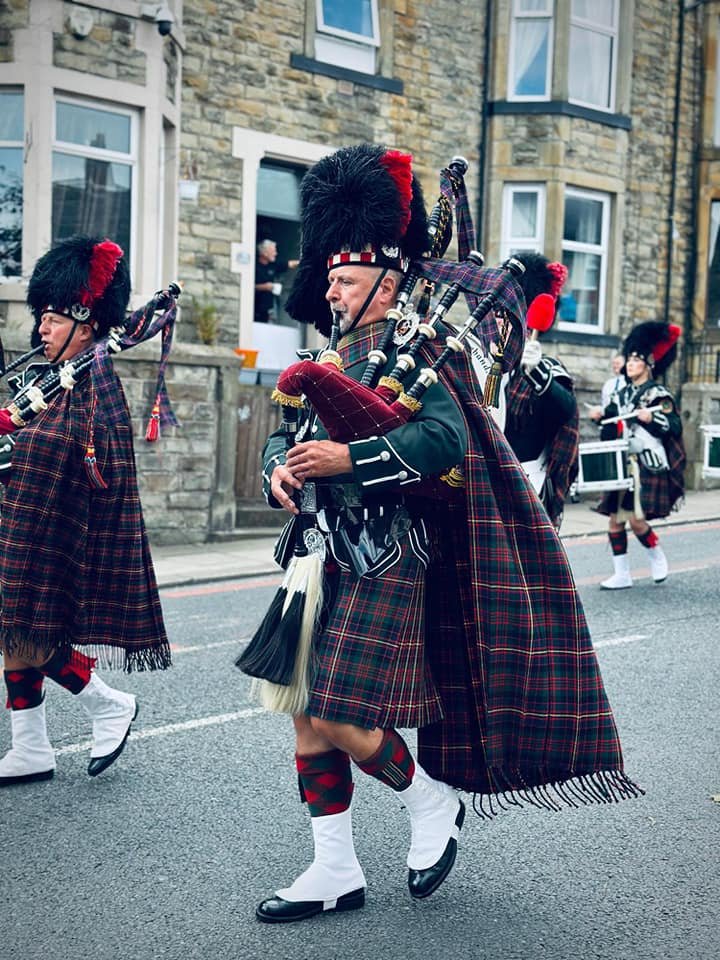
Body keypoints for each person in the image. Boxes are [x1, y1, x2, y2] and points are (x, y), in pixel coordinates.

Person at [241, 144, 641, 924]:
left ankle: (431, 803)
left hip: (389, 554)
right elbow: (280, 436)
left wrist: (348, 458)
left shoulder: (416, 352)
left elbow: (444, 444)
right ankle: (334, 868)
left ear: (387, 285)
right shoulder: (325, 352)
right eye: (327, 276)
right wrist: (279, 475)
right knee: (302, 710)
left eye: (345, 277)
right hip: (320, 554)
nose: (329, 286)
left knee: (338, 711)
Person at [0, 235, 173, 787]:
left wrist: (13, 442)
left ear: (85, 322)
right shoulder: (48, 379)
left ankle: (106, 703)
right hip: (24, 517)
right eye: (42, 319)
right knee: (12, 634)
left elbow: (80, 454)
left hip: (60, 525)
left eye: (52, 320)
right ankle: (30, 747)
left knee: (23, 631)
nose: (41, 330)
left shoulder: (95, 379)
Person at [594, 321, 685, 590]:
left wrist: (649, 419)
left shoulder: (659, 395)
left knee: (636, 519)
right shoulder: (619, 394)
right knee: (614, 520)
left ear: (648, 364)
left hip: (645, 463)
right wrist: (602, 417)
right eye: (629, 358)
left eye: (636, 359)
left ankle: (656, 556)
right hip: (621, 463)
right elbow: (610, 425)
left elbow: (674, 428)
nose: (630, 363)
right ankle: (622, 574)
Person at [503, 254, 579, 529]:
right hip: (487, 480)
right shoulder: (490, 365)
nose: (499, 321)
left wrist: (536, 373)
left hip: (528, 480)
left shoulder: (547, 368)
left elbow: (566, 408)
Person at [254, 239, 299, 323]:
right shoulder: (254, 266)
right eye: (273, 251)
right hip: (255, 309)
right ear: (264, 253)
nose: (276, 253)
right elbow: (247, 286)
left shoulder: (273, 265)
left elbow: (290, 264)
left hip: (268, 310)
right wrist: (265, 287)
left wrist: (305, 262)